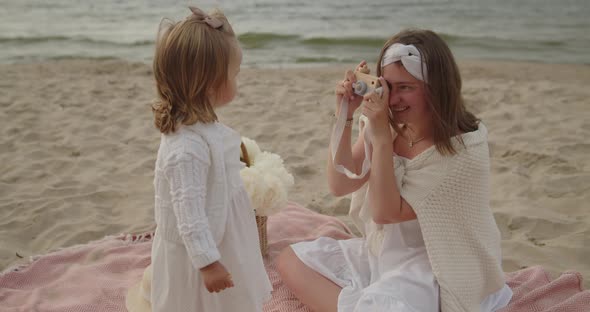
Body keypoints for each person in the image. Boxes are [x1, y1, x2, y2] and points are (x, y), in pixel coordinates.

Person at [276, 29, 513, 312]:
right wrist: (346, 114)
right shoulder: (387, 124)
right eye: (388, 86)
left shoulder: (461, 150)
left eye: (406, 87)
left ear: (436, 87)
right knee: (291, 260)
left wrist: (381, 139)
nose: (394, 99)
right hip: (385, 251)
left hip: (438, 263)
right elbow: (340, 183)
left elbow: (385, 212)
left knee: (384, 303)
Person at [148, 6, 271, 312]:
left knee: (232, 298)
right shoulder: (185, 149)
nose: (238, 80)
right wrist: (207, 264)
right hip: (200, 251)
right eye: (235, 74)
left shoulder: (202, 127)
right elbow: (188, 214)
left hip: (222, 232)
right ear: (209, 83)